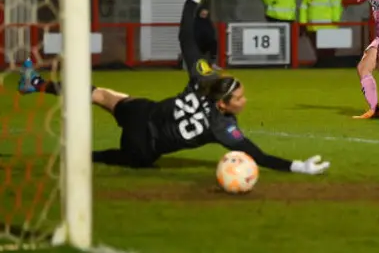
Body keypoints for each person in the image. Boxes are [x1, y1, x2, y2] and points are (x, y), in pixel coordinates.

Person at [17, 63, 330, 174]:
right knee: (130, 160)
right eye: (240, 98)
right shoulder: (223, 128)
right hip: (144, 145)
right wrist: (296, 166)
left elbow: (188, 42)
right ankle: (82, 157)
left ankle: (36, 84)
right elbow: (257, 155)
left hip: (141, 111)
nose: (245, 101)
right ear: (224, 105)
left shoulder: (199, 84)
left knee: (99, 95)